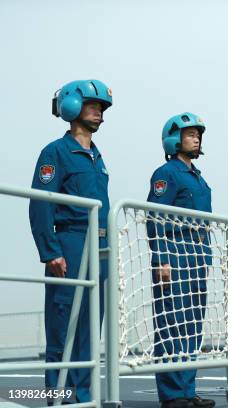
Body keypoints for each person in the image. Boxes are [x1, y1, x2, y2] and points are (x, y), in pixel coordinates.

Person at [29, 79, 112, 403]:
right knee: (64, 324)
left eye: (102, 108)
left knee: (92, 327)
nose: (100, 113)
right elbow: (40, 203)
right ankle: (60, 397)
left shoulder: (97, 157)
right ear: (73, 107)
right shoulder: (56, 152)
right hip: (70, 243)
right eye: (93, 105)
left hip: (98, 248)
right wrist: (51, 251)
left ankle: (84, 397)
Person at [146, 113, 215, 408]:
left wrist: (207, 256)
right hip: (174, 252)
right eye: (189, 134)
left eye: (198, 134)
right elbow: (155, 218)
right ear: (174, 139)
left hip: (197, 255)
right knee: (171, 322)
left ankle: (187, 389)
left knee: (191, 324)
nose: (196, 138)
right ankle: (173, 394)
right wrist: (161, 258)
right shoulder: (167, 173)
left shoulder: (198, 178)